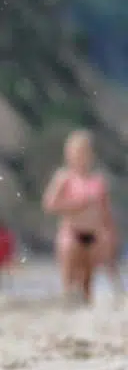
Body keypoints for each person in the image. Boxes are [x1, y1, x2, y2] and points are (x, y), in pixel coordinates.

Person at [42, 130, 117, 306]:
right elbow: (49, 205)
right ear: (68, 155)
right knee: (69, 278)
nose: (80, 157)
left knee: (87, 283)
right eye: (76, 153)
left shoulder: (98, 181)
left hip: (94, 236)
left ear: (91, 155)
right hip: (71, 233)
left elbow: (106, 213)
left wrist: (110, 239)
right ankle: (67, 301)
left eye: (84, 152)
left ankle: (84, 308)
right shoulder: (64, 177)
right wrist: (76, 204)